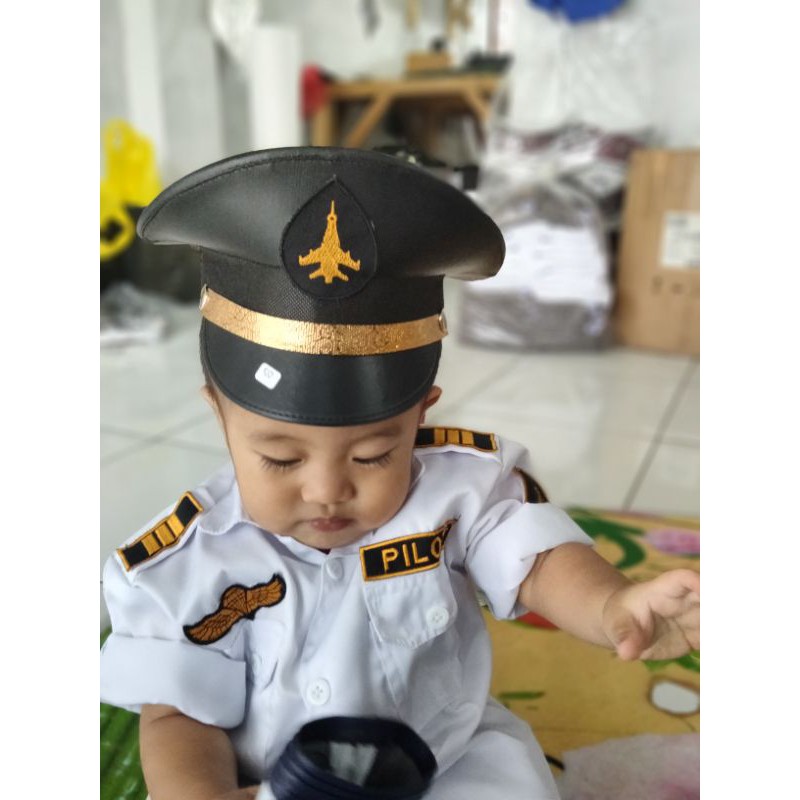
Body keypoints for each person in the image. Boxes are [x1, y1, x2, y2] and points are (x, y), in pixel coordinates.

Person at [100, 147, 700, 800]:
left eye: (372, 456)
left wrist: (612, 605)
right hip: (278, 786)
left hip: (442, 764)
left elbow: (537, 559)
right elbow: (176, 714)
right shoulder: (187, 563)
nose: (327, 490)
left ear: (421, 415)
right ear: (218, 415)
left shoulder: (458, 491)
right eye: (282, 458)